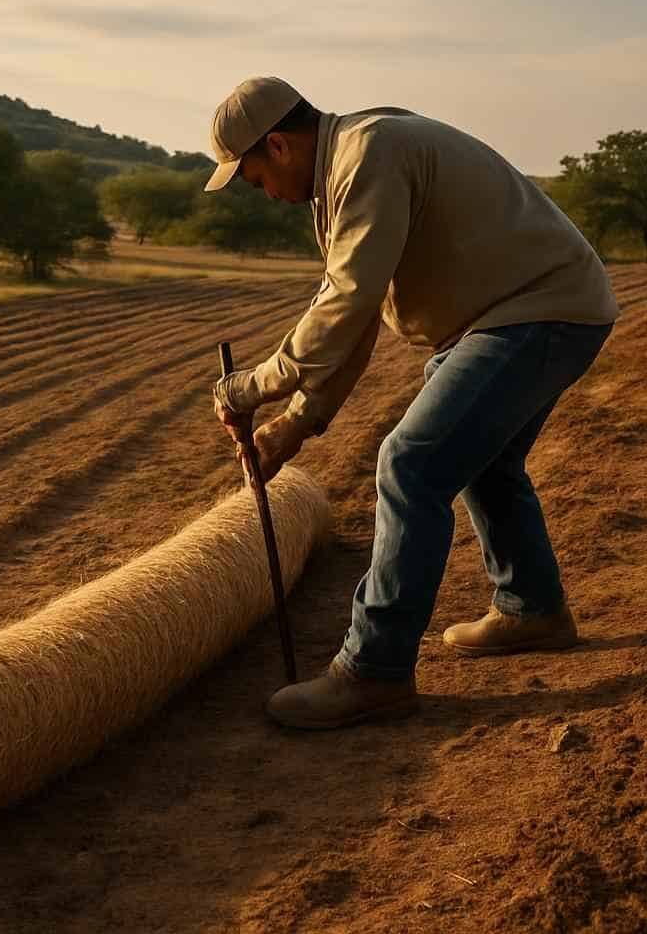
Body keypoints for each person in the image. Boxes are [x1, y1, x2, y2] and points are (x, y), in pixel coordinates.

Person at [206, 76, 618, 730]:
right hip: (522, 316)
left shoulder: (366, 155)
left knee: (411, 462)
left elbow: (342, 306)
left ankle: (374, 671)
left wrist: (254, 387)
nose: (266, 194)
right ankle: (533, 609)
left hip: (537, 314)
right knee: (485, 461)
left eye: (255, 179)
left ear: (278, 146)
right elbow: (361, 313)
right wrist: (295, 423)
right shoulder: (351, 164)